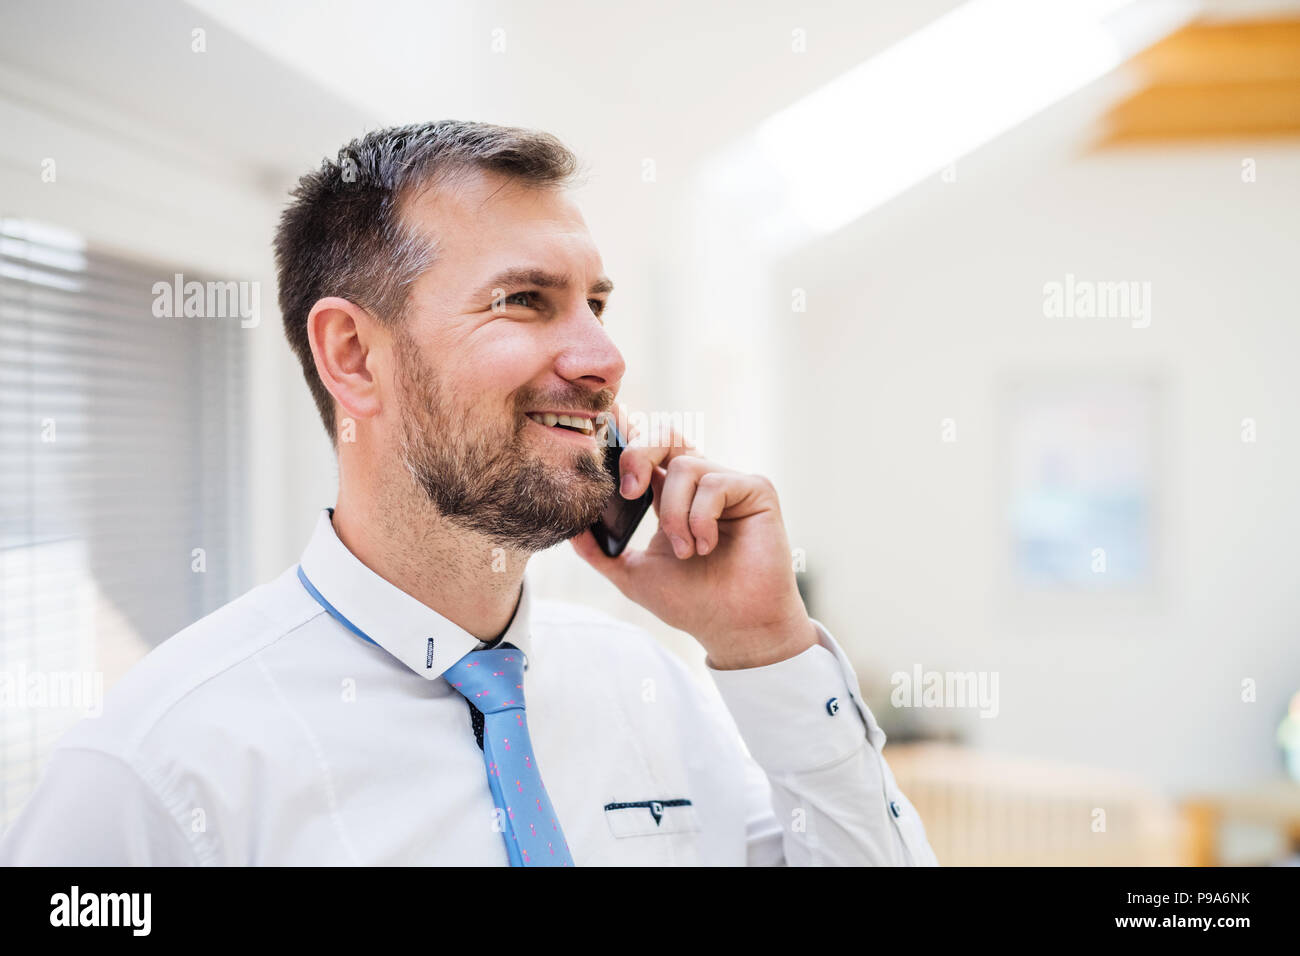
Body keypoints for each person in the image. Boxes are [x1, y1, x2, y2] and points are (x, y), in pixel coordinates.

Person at [0, 121, 937, 866]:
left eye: (595, 304)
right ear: (354, 356)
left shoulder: (654, 690)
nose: (605, 358)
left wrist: (766, 648)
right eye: (524, 300)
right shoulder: (153, 771)